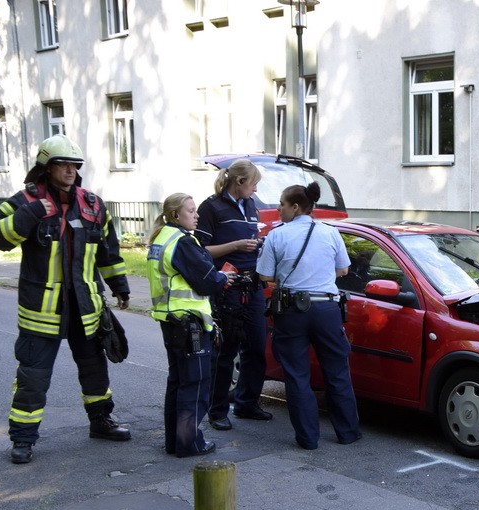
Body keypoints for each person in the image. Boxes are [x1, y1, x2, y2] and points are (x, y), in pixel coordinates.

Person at [0, 134, 132, 464]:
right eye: (62, 164)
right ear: (46, 168)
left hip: (85, 307)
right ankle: (23, 439)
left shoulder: (93, 204)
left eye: (74, 165)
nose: (70, 170)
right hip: (41, 310)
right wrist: (34, 212)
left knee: (95, 371)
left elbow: (108, 252)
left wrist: (120, 286)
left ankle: (101, 422)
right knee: (33, 377)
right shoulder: (26, 199)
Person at [257, 183, 361, 449]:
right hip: (327, 309)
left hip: (292, 310)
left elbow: (265, 276)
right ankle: (348, 433)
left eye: (281, 203)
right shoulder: (330, 232)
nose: (278, 209)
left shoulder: (277, 236)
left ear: (295, 207)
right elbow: (344, 270)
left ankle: (307, 438)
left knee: (297, 375)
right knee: (337, 372)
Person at [147, 193, 234, 457]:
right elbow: (206, 280)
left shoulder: (162, 239)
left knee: (178, 382)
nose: (196, 215)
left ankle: (175, 441)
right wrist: (223, 277)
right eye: (191, 211)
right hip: (189, 324)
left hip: (171, 321)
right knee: (195, 383)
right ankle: (189, 442)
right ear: (176, 215)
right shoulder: (183, 242)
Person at [195, 158, 270, 431]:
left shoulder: (251, 206)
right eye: (254, 184)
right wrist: (236, 245)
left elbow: (251, 243)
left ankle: (247, 403)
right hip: (227, 287)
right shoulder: (211, 207)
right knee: (225, 351)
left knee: (257, 347)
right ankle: (217, 411)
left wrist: (258, 245)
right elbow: (200, 251)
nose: (256, 191)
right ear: (239, 182)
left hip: (253, 286)